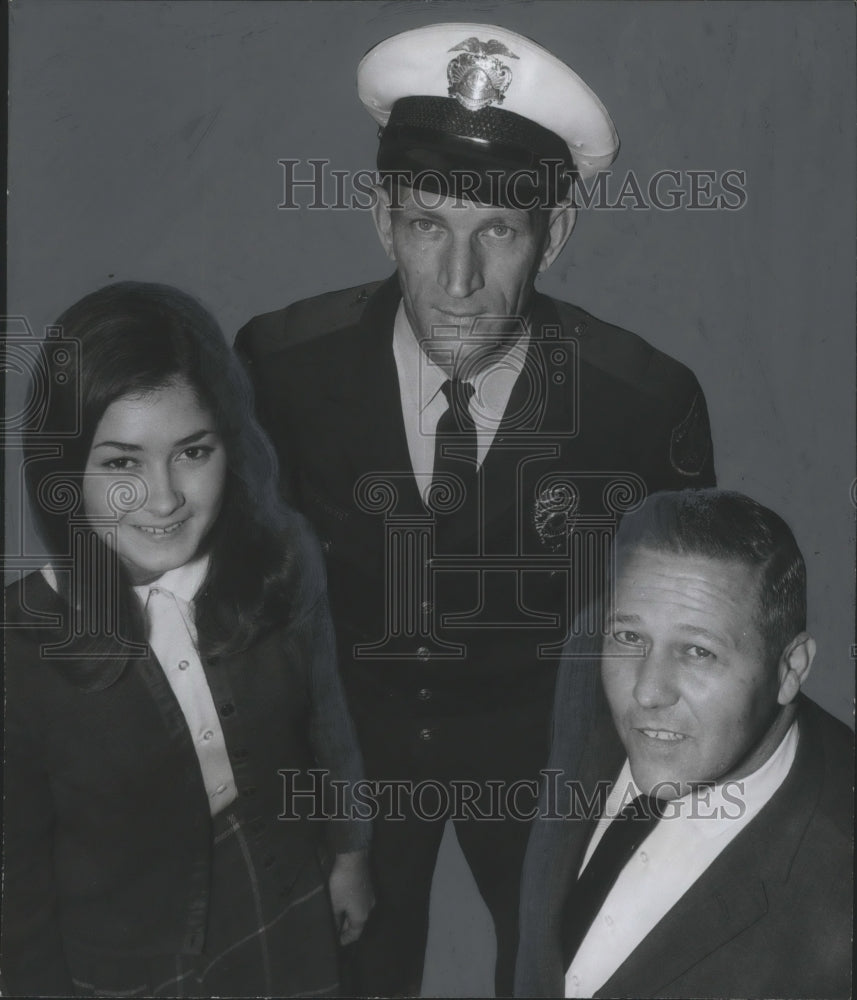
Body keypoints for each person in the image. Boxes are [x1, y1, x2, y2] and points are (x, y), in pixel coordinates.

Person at [236, 22, 716, 997]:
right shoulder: (282, 367)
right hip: (349, 762)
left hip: (547, 766)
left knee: (562, 979)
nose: (456, 283)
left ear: (554, 233)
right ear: (382, 220)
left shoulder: (639, 402)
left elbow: (682, 637)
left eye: (495, 231)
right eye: (427, 225)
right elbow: (252, 607)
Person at [1, 282, 373, 997]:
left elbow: (328, 722)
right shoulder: (19, 647)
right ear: (62, 474)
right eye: (121, 464)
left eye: (192, 452)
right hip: (123, 953)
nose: (165, 498)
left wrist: (350, 855)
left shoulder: (283, 559)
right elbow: (16, 891)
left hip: (282, 898)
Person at [515, 488, 853, 998]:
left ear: (790, 670)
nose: (646, 693)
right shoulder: (589, 657)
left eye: (698, 651)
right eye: (630, 638)